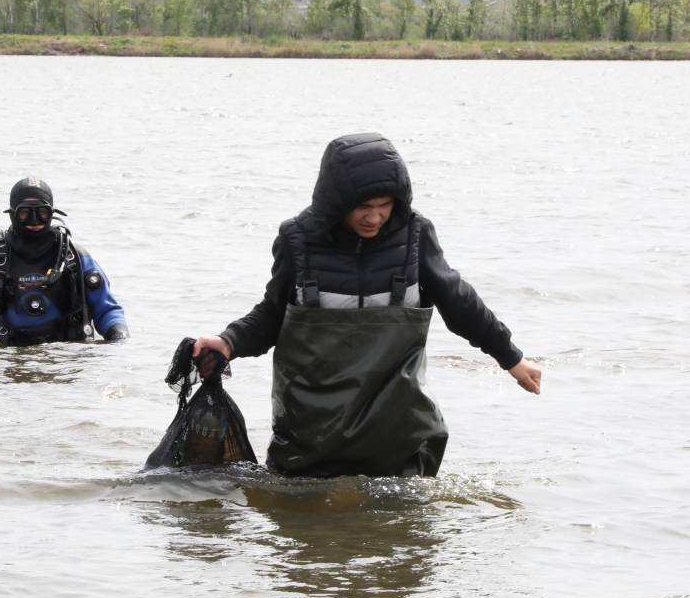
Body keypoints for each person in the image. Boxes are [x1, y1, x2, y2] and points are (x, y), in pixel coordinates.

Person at [193, 133, 541, 478]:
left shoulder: (415, 235)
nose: (374, 218)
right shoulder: (296, 240)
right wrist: (228, 342)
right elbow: (271, 317)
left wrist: (510, 357)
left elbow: (459, 302)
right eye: (363, 207)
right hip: (311, 436)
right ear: (336, 201)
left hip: (398, 431)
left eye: (384, 205)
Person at [0, 177, 129, 348]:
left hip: (64, 360)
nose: (34, 220)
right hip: (1, 359)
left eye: (42, 212)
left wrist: (120, 340)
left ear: (52, 213)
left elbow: (108, 310)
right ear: (12, 214)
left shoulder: (74, 258)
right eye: (25, 213)